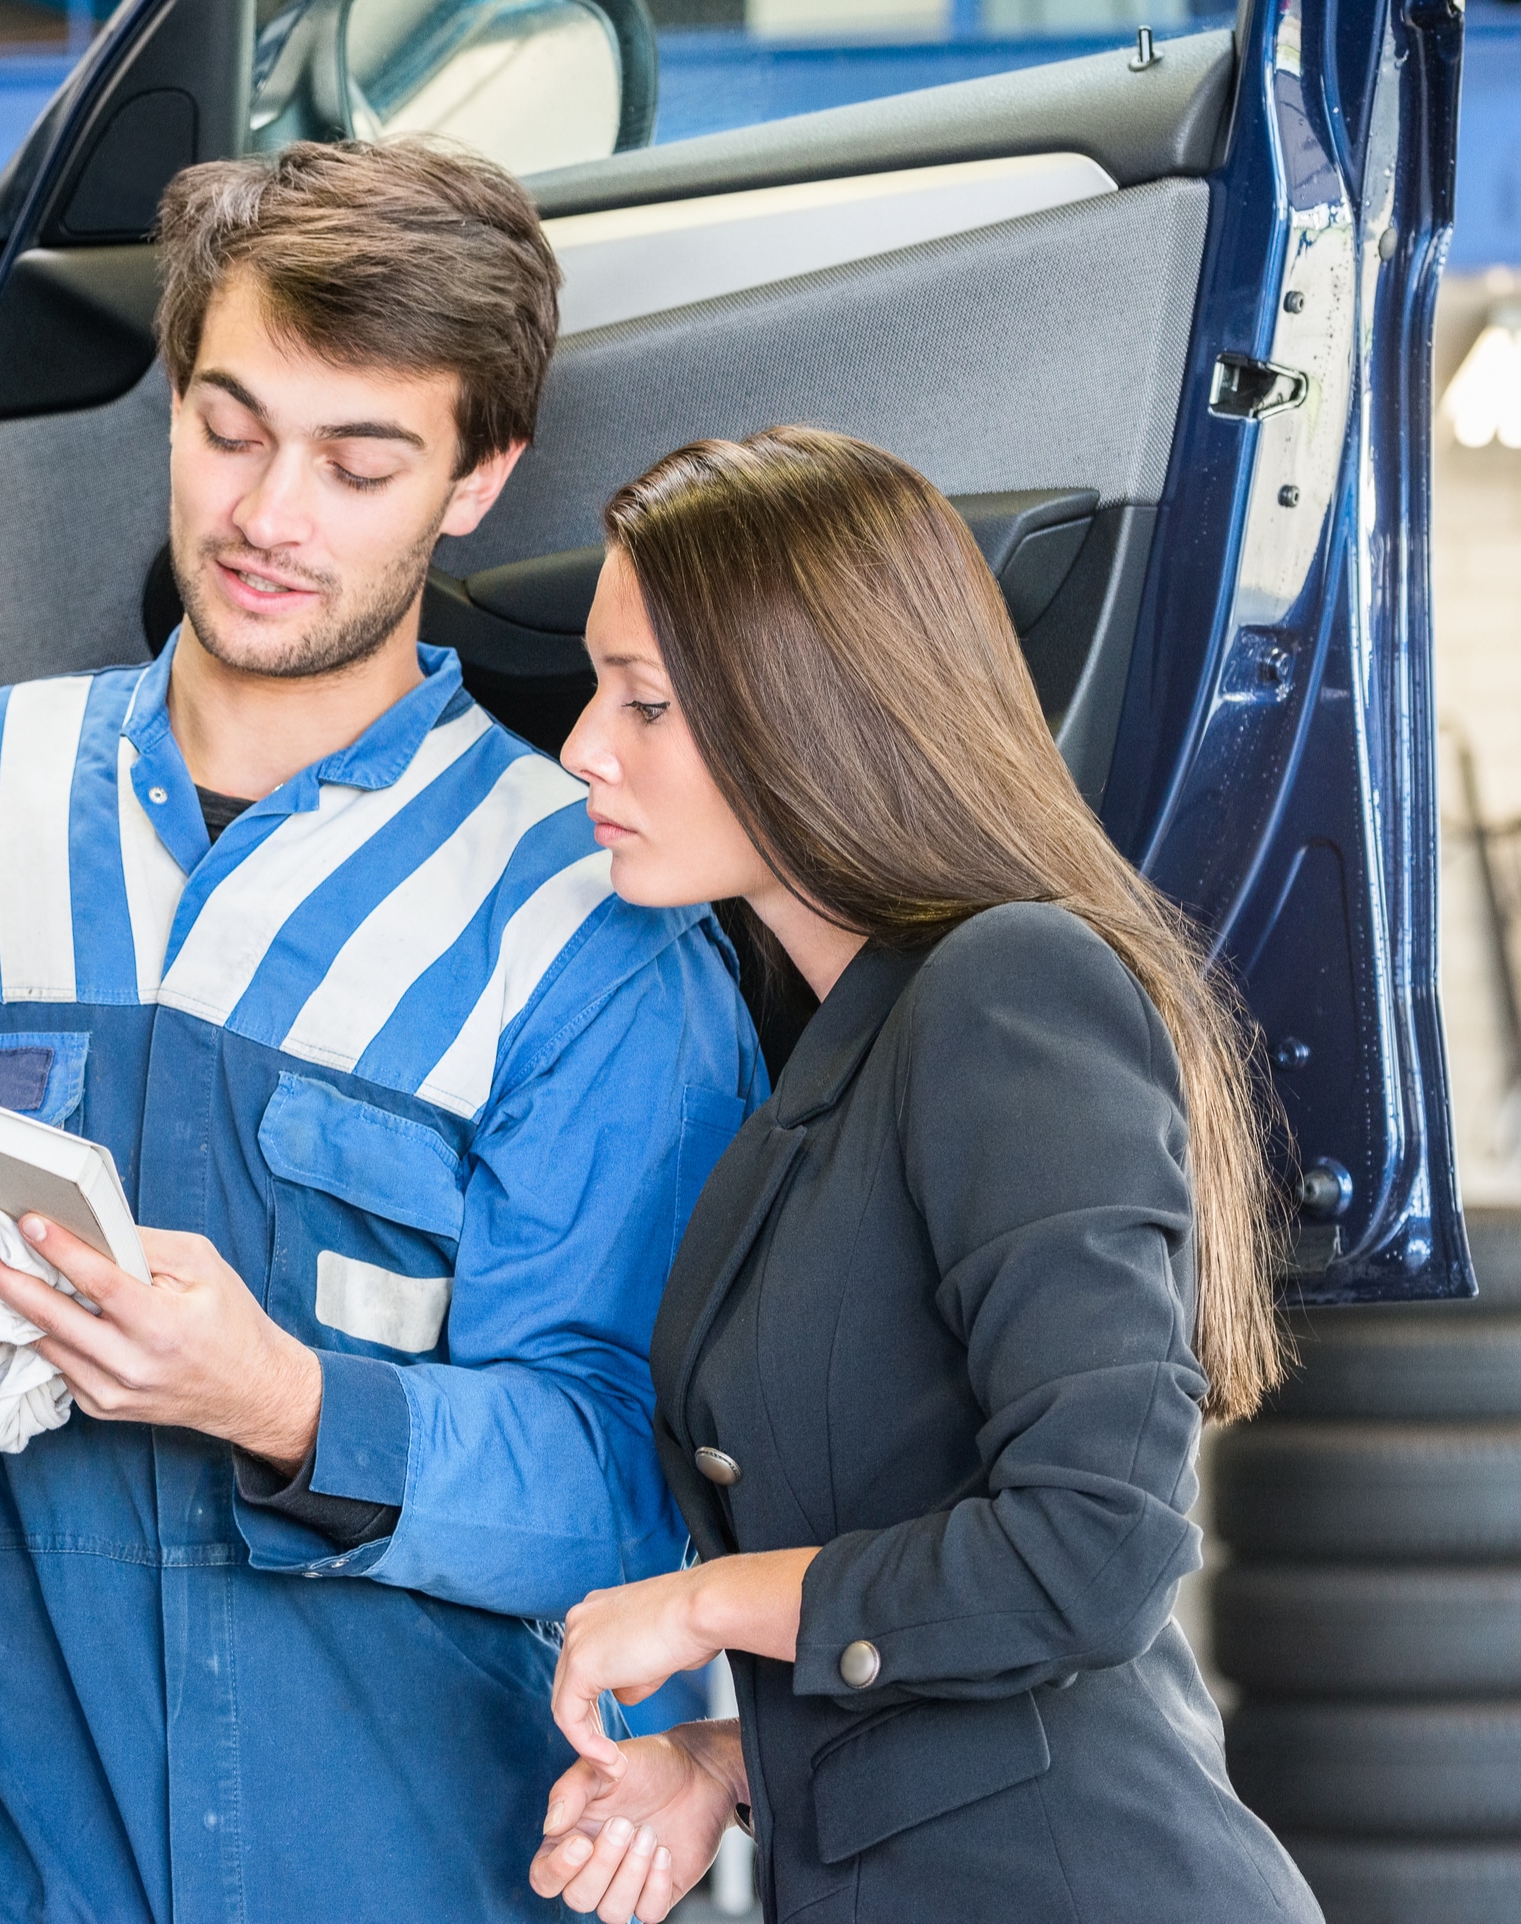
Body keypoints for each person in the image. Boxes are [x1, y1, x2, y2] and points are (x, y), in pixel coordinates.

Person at [0, 139, 763, 1920]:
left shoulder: (581, 929)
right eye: (229, 424)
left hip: (411, 1865)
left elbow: (630, 1485)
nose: (272, 514)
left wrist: (284, 1398)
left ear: (480, 475)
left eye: (361, 461)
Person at [527, 427, 1320, 1924]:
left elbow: (1091, 1550)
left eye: (644, 703)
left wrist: (701, 1607)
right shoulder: (832, 1050)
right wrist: (723, 1756)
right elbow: (929, 1599)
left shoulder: (1007, 989)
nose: (585, 745)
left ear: (804, 717)